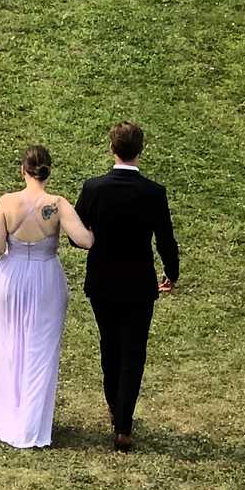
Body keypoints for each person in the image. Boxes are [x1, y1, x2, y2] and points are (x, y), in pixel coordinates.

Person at [0, 145, 95, 450]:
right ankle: (32, 421)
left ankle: (10, 408)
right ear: (48, 171)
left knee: (10, 342)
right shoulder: (57, 204)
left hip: (11, 279)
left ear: (23, 170)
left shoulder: (7, 202)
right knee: (41, 349)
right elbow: (85, 240)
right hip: (46, 279)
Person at [76, 123, 179, 453]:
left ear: (111, 148)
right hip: (138, 284)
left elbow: (77, 233)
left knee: (110, 346)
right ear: (141, 150)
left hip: (102, 282)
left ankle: (112, 405)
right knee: (134, 352)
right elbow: (165, 239)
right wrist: (172, 272)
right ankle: (124, 423)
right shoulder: (153, 192)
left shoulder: (93, 188)